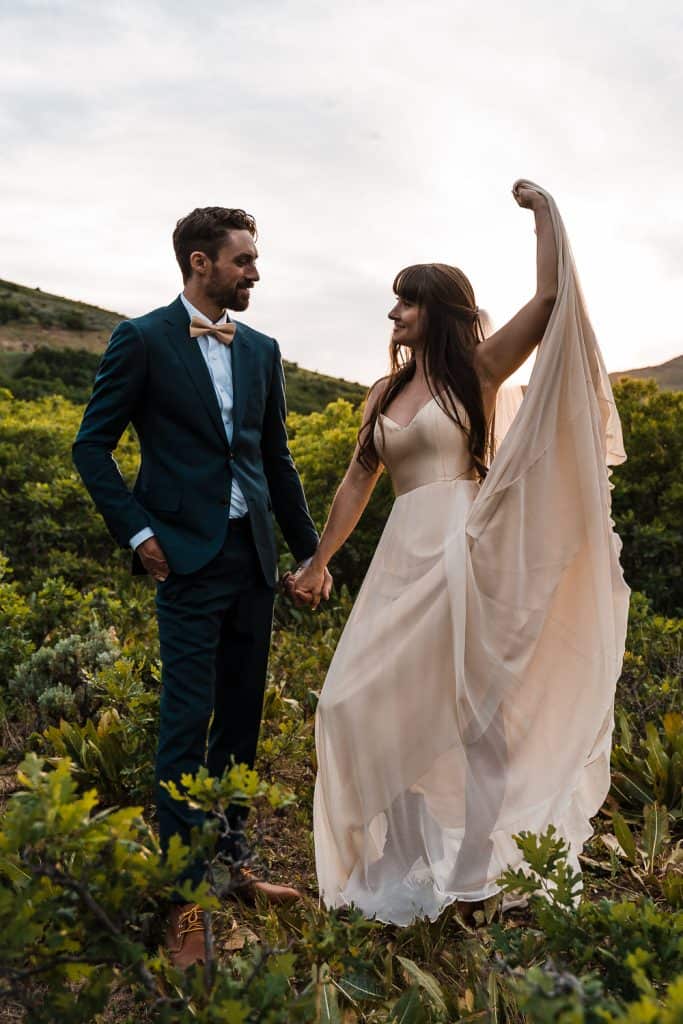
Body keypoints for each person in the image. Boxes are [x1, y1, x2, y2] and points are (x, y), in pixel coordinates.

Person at [291, 180, 630, 925]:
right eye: (393, 301)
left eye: (406, 301)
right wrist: (320, 562)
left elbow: (547, 304)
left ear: (436, 310)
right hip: (397, 561)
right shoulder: (382, 392)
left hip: (464, 552)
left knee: (476, 720)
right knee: (353, 702)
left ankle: (475, 877)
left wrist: (544, 213)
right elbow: (356, 482)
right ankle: (392, 861)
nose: (392, 312)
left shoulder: (474, 374)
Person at [73, 206, 331, 967]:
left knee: (241, 722)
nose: (255, 271)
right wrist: (139, 532)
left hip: (252, 560)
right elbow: (92, 447)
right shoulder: (143, 338)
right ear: (200, 262)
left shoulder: (263, 350)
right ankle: (182, 894)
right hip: (181, 559)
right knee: (186, 724)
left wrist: (311, 554)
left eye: (254, 259)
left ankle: (233, 861)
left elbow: (276, 462)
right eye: (243, 259)